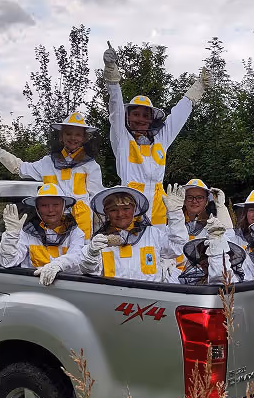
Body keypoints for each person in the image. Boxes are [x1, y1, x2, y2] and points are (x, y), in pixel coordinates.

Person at [102, 44, 206, 227]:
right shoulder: (123, 139)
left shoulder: (160, 140)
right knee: (131, 242)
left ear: (151, 119)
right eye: (136, 114)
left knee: (158, 242)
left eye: (145, 115)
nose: (140, 119)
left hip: (159, 203)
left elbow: (177, 117)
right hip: (130, 201)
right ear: (127, 117)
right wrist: (112, 78)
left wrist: (197, 89)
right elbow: (115, 107)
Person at [0, 111, 103, 240]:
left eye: (78, 134)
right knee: (53, 251)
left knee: (81, 251)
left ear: (84, 138)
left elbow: (96, 197)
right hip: (53, 218)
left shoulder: (91, 165)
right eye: (68, 133)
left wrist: (99, 226)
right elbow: (22, 169)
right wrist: (1, 154)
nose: (73, 138)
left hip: (81, 220)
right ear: (61, 136)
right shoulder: (47, 162)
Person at [79, 184, 189, 281]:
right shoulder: (100, 241)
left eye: (126, 208)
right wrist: (91, 253)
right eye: (113, 210)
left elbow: (177, 247)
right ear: (106, 212)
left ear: (135, 209)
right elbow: (88, 270)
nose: (120, 214)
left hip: (149, 295)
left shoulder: (152, 234)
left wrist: (175, 213)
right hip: (115, 296)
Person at [0, 183, 85, 285]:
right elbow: (8, 262)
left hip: (67, 288)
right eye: (44, 205)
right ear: (37, 208)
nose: (50, 210)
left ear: (63, 206)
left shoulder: (76, 233)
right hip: (32, 287)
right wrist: (11, 235)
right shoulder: (27, 233)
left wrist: (57, 265)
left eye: (56, 205)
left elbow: (76, 257)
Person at [174, 178, 232, 270]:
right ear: (184, 200)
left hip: (205, 276)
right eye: (190, 197)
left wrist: (221, 207)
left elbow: (230, 242)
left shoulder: (213, 226)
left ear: (206, 201)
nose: (194, 201)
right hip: (174, 277)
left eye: (199, 197)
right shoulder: (174, 225)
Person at [169, 236, 246, 285]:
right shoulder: (197, 281)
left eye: (210, 256)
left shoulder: (231, 279)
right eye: (202, 257)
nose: (203, 262)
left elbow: (219, 276)